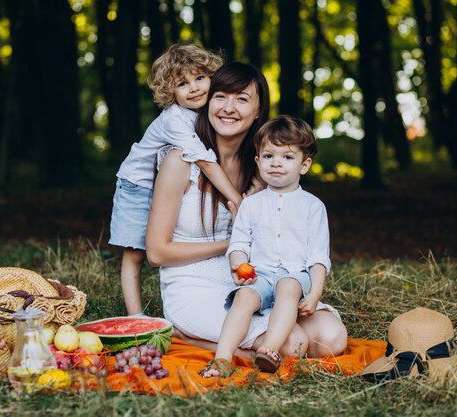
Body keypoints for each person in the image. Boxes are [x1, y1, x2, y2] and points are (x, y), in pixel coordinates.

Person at [145, 63, 347, 378]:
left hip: (256, 278)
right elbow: (156, 253)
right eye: (220, 96)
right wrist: (233, 242)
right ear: (207, 102)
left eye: (241, 99)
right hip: (193, 283)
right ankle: (196, 337)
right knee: (293, 343)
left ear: (257, 111)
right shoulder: (180, 161)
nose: (228, 108)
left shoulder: (263, 166)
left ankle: (227, 341)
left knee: (332, 337)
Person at [110, 43, 243, 316]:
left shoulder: (206, 114)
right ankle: (136, 317)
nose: (194, 88)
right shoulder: (175, 120)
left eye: (200, 78)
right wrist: (236, 198)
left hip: (163, 183)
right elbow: (205, 162)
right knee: (134, 254)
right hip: (137, 184)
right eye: (183, 83)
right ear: (170, 92)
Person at [204, 115, 332, 376]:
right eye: (268, 156)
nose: (276, 163)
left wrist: (315, 293)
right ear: (257, 161)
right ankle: (222, 358)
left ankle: (269, 351)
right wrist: (238, 264)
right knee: (244, 297)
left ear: (304, 165)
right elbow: (239, 242)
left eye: (287, 157)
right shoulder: (250, 204)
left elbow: (318, 257)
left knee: (288, 286)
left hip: (296, 276)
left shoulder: (313, 206)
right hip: (260, 274)